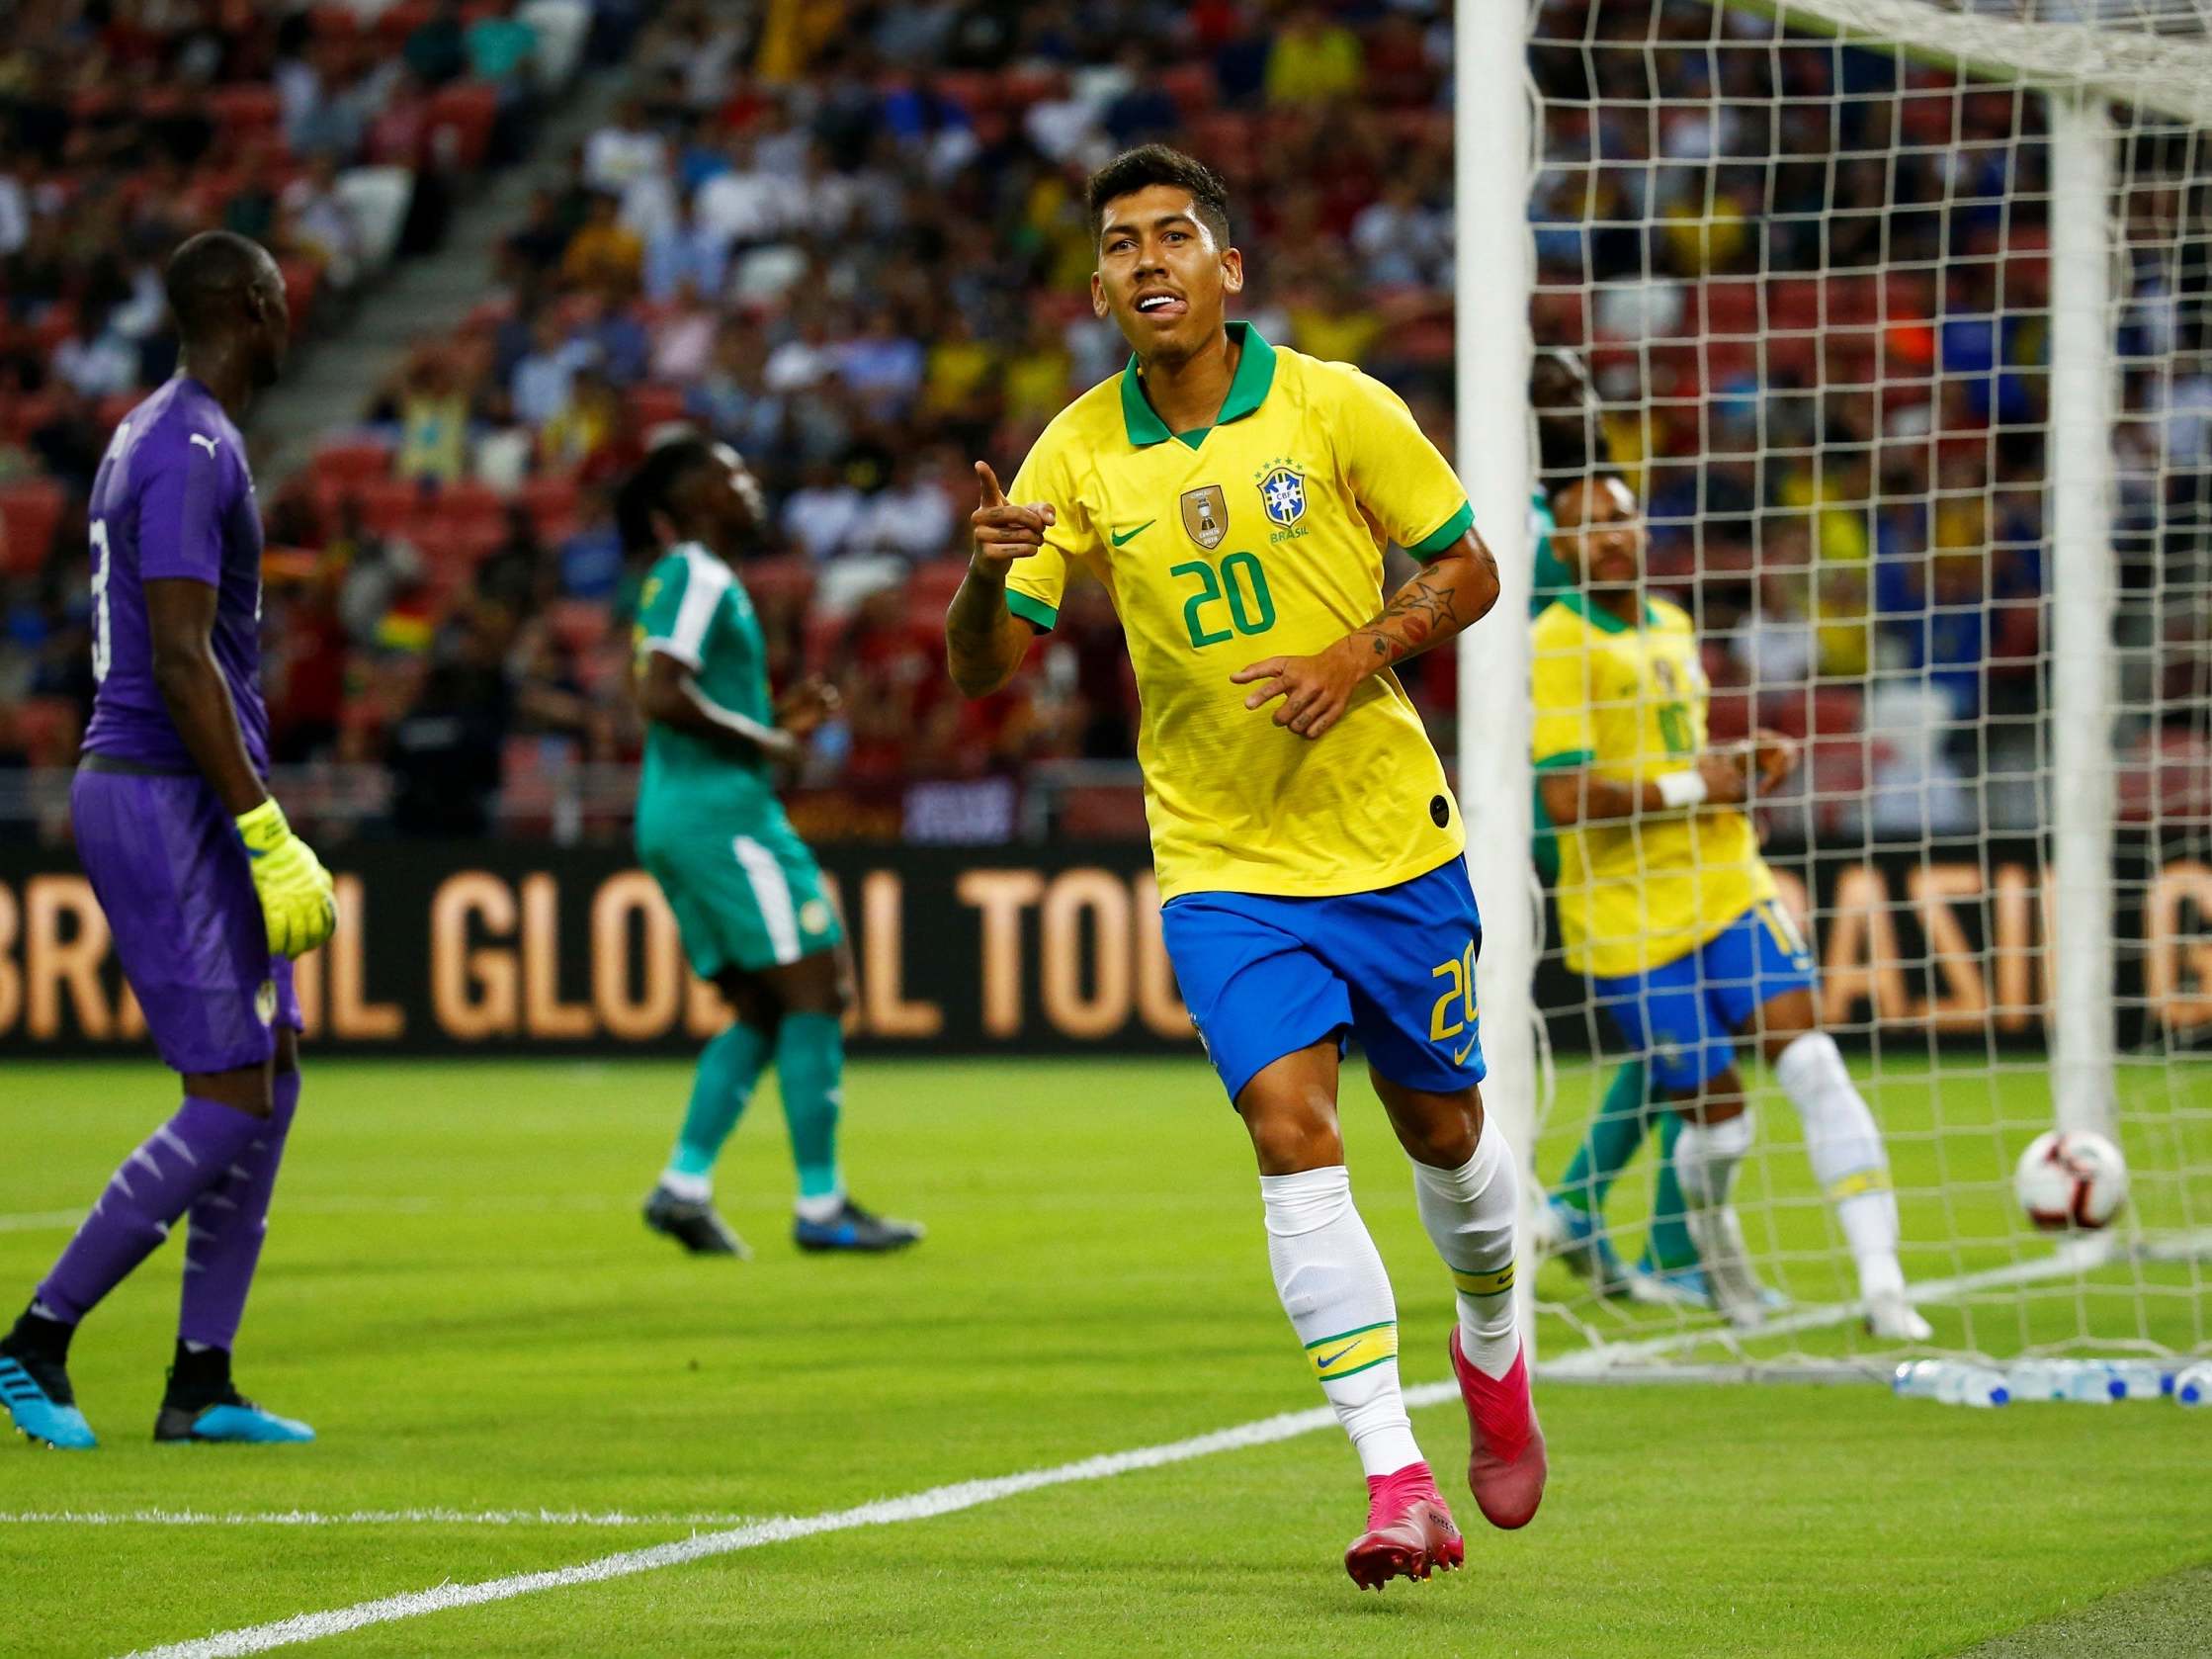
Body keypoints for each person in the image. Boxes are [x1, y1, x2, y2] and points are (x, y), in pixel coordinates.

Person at [944, 145, 1539, 1590]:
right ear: (1096, 288)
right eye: (1120, 245)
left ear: (1227, 268)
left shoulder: (1338, 405)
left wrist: (1354, 652)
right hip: (1220, 857)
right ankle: (1395, 1477)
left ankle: (1492, 1348)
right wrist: (978, 570)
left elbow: (1469, 572)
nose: (1146, 260)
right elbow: (981, 671)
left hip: (1389, 840)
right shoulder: (1073, 450)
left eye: (1173, 236)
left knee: (1445, 1136)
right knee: (1287, 1130)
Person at [0, 232, 337, 1450]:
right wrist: (261, 825)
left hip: (186, 783)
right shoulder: (189, 446)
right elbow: (181, 656)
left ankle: (201, 1380)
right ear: (252, 305)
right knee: (229, 1089)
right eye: (285, 300)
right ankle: (33, 1339)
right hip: (160, 786)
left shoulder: (168, 432)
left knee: (271, 1077)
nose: (295, 317)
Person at [1532, 469, 1931, 1341]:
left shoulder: (1673, 623)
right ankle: (1712, 1259)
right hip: (1627, 915)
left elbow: (1686, 753)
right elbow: (1563, 798)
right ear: (1562, 551)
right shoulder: (1558, 641)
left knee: (1813, 1062)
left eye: (1623, 519)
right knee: (1722, 1124)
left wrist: (1741, 760)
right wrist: (1692, 784)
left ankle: (1884, 1284)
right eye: (1591, 526)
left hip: (1723, 878)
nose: (1611, 535)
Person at [623, 436, 922, 1259]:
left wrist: (768, 726)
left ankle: (683, 1187)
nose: (749, 485)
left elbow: (685, 696)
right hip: (724, 819)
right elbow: (660, 692)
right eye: (729, 476)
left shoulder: (688, 579)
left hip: (684, 809)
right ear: (687, 499)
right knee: (819, 984)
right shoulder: (699, 572)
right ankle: (821, 1207)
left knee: (762, 1008)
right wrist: (771, 741)